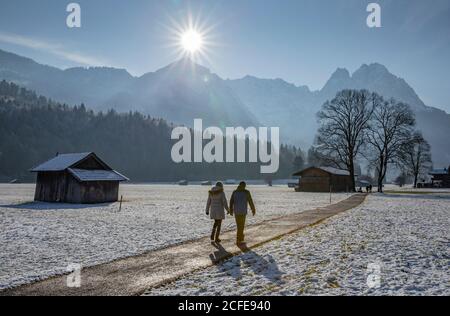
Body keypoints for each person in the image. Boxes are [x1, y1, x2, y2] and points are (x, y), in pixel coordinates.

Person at [230, 181, 256, 245]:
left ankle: (240, 239)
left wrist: (231, 210)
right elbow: (250, 201)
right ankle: (239, 240)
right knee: (241, 226)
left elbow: (231, 202)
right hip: (243, 211)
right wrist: (253, 209)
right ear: (244, 186)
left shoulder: (235, 192)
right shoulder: (246, 192)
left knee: (239, 226)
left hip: (236, 211)